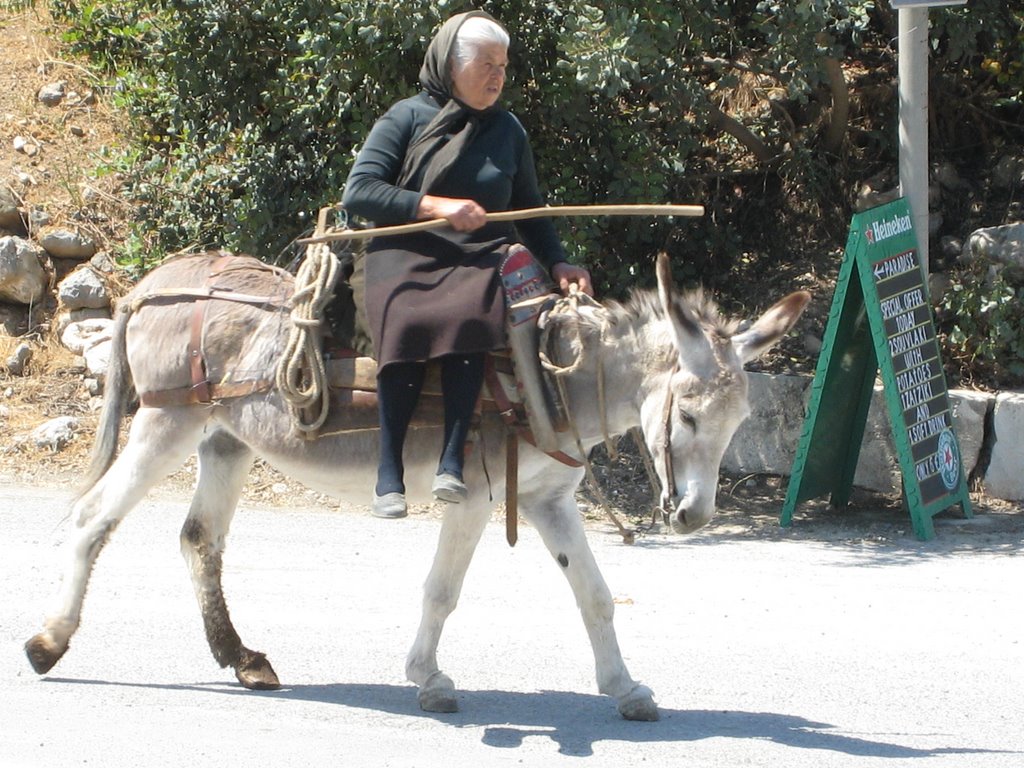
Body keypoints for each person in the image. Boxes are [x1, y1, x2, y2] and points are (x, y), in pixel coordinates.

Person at [342, 10, 593, 519]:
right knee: (407, 316)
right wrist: (435, 206)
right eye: (486, 64)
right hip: (404, 249)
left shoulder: (508, 131)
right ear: (451, 66)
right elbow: (361, 191)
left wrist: (561, 261)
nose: (498, 75)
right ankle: (388, 471)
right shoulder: (405, 118)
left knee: (472, 313)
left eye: (503, 65)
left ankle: (451, 461)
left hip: (478, 256)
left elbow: (532, 210)